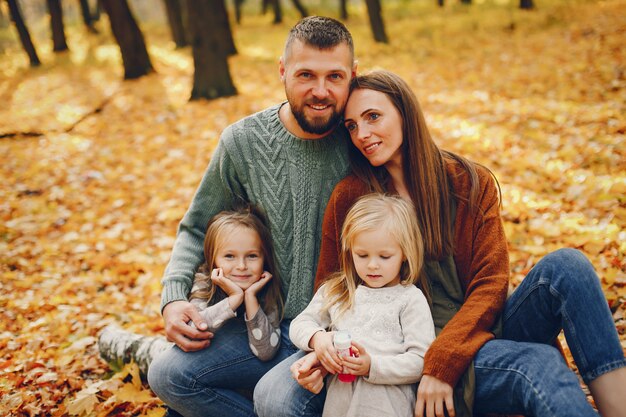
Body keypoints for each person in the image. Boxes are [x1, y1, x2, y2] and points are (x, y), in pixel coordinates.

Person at [255, 70, 626, 417]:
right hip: (399, 351)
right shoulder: (351, 195)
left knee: (568, 267)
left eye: (373, 117)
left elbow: (491, 285)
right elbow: (335, 289)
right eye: (352, 126)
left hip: (475, 335)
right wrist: (325, 348)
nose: (361, 134)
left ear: (405, 114)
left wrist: (443, 363)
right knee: (537, 363)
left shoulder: (467, 182)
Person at [147, 16, 357, 417]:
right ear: (281, 71)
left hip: (330, 330)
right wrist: (173, 300)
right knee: (168, 376)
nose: (320, 91)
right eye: (305, 75)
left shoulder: (363, 139)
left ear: (353, 75)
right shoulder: (242, 142)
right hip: (258, 320)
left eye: (335, 76)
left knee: (277, 402)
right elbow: (196, 228)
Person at [289, 194, 436, 417]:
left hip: (387, 405)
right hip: (340, 405)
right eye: (362, 255)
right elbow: (300, 323)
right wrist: (318, 339)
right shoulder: (338, 290)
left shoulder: (409, 299)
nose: (373, 265)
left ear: (405, 253)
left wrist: (372, 366)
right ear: (350, 250)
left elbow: (421, 360)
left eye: (385, 256)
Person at [186, 207, 283, 361]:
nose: (242, 266)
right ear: (213, 258)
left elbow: (266, 352)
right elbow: (192, 330)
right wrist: (234, 299)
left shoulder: (267, 290)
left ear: (264, 258)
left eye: (252, 256)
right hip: (199, 360)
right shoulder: (204, 281)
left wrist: (250, 297)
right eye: (230, 256)